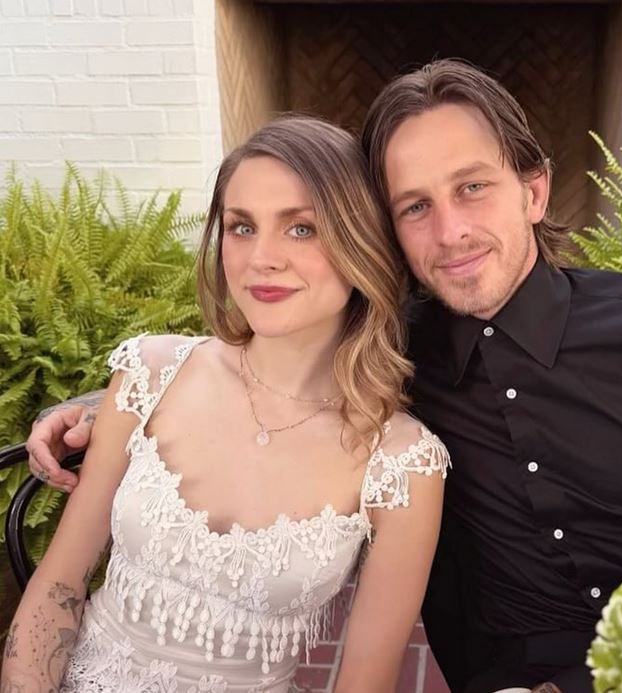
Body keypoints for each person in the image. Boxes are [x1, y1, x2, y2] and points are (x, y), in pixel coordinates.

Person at [26, 61, 622, 693]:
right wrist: (104, 405)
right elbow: (263, 358)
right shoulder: (394, 346)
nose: (451, 231)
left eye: (472, 187)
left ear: (533, 190)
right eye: (414, 206)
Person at [5, 115, 449, 693]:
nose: (261, 257)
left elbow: (364, 683)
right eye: (242, 227)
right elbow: (59, 585)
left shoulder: (403, 463)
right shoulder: (150, 373)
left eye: (301, 229)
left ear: (361, 244)